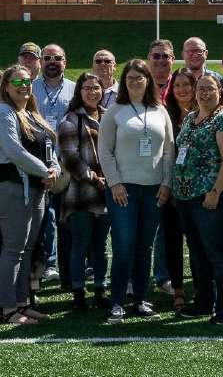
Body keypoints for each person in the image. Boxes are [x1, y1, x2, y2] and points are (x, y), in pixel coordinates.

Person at [98, 59, 175, 320]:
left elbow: (169, 151)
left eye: (140, 77)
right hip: (124, 190)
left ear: (148, 81)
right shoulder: (114, 111)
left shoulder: (159, 110)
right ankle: (117, 301)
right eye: (130, 78)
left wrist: (166, 183)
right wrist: (115, 182)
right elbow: (104, 152)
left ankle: (141, 300)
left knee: (145, 247)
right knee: (124, 245)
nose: (134, 82)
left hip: (153, 189)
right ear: (124, 81)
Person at [0, 64, 60, 325]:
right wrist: (45, 172)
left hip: (38, 188)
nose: (24, 86)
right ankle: (8, 309)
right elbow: (14, 151)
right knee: (13, 249)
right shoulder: (2, 112)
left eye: (28, 81)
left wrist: (54, 169)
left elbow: (52, 150)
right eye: (17, 82)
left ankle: (22, 303)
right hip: (12, 187)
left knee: (27, 249)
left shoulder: (32, 114)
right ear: (6, 86)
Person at [172, 71, 223, 323]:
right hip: (187, 197)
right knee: (198, 252)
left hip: (214, 196)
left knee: (219, 252)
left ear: (219, 91)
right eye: (200, 88)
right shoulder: (191, 117)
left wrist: (215, 192)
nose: (204, 93)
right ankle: (204, 301)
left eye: (209, 88)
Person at [59, 73, 110, 312]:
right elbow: (69, 157)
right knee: (80, 244)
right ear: (79, 91)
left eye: (96, 88)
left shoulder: (108, 117)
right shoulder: (70, 120)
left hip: (107, 191)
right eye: (87, 88)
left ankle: (100, 289)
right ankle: (78, 292)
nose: (92, 92)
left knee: (100, 245)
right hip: (81, 192)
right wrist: (92, 177)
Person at [157, 68, 199, 309]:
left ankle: (201, 286)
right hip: (172, 191)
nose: (182, 89)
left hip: (198, 191)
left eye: (187, 84)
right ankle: (179, 291)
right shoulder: (165, 116)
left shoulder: (205, 114)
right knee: (172, 242)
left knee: (197, 242)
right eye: (177, 85)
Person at [34, 43, 75, 286]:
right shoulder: (29, 87)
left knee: (66, 221)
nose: (52, 61)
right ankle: (43, 268)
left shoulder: (74, 88)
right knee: (40, 221)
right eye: (47, 57)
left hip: (67, 165)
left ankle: (68, 273)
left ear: (65, 62)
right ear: (40, 61)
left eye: (57, 58)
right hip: (38, 165)